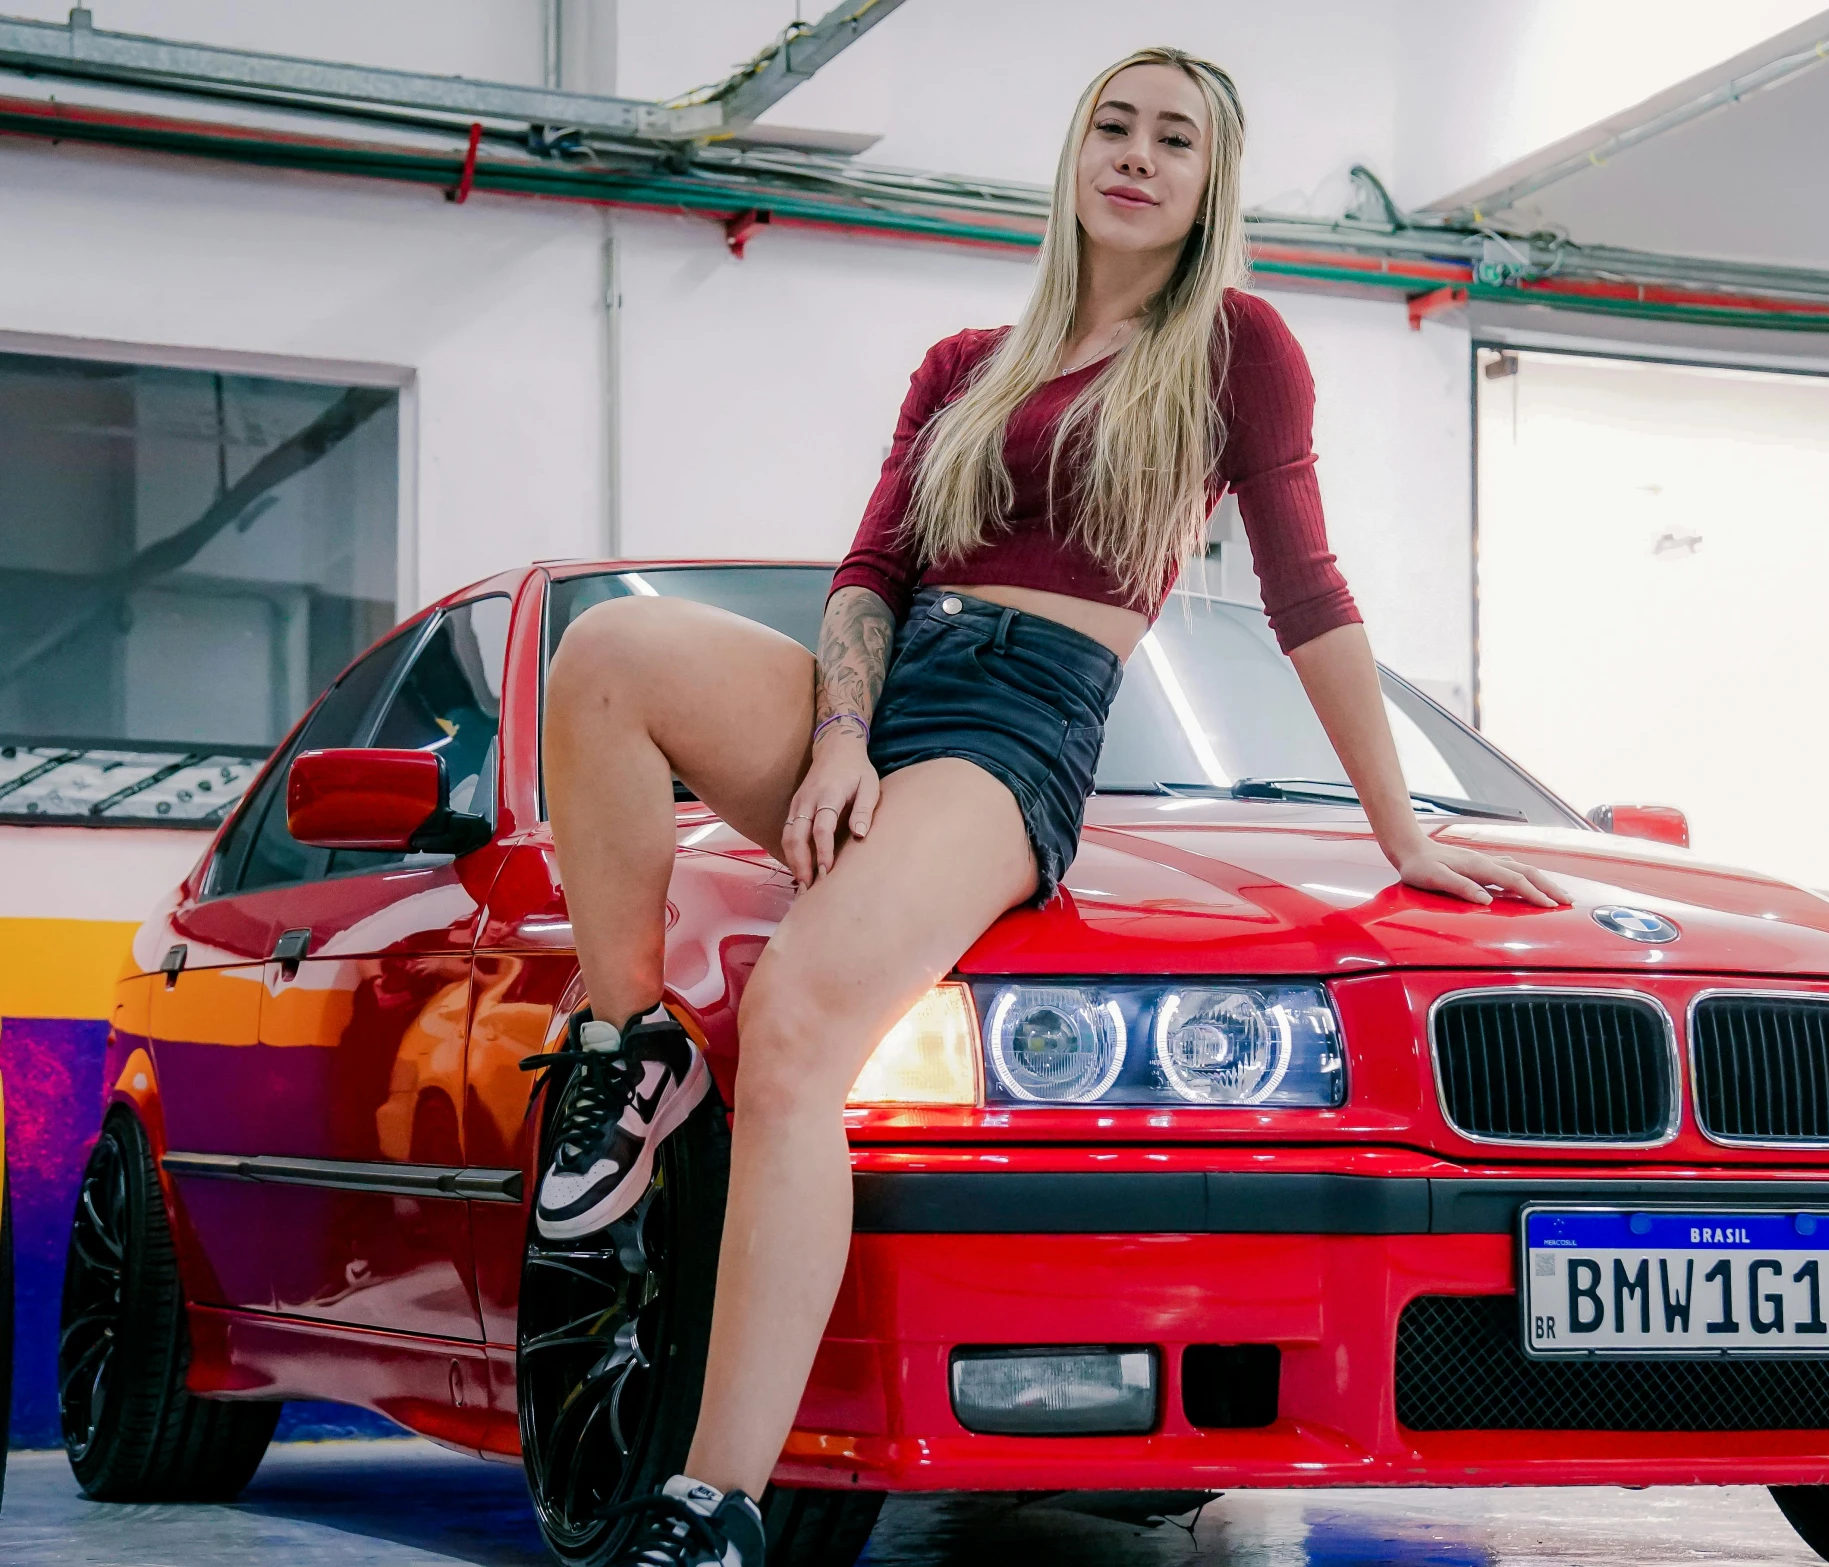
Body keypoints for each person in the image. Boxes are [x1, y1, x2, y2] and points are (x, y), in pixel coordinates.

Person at [532, 45, 1571, 1567]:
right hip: (884, 701)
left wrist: (1401, 826)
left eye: (1174, 140)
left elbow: (1309, 594)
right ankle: (624, 1047)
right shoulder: (964, 363)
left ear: (1209, 183)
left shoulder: (1233, 348)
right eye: (1113, 126)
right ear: (1074, 154)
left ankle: (712, 1506)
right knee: (611, 647)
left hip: (1014, 726)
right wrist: (834, 738)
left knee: (805, 1019)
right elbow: (870, 570)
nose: (1136, 156)